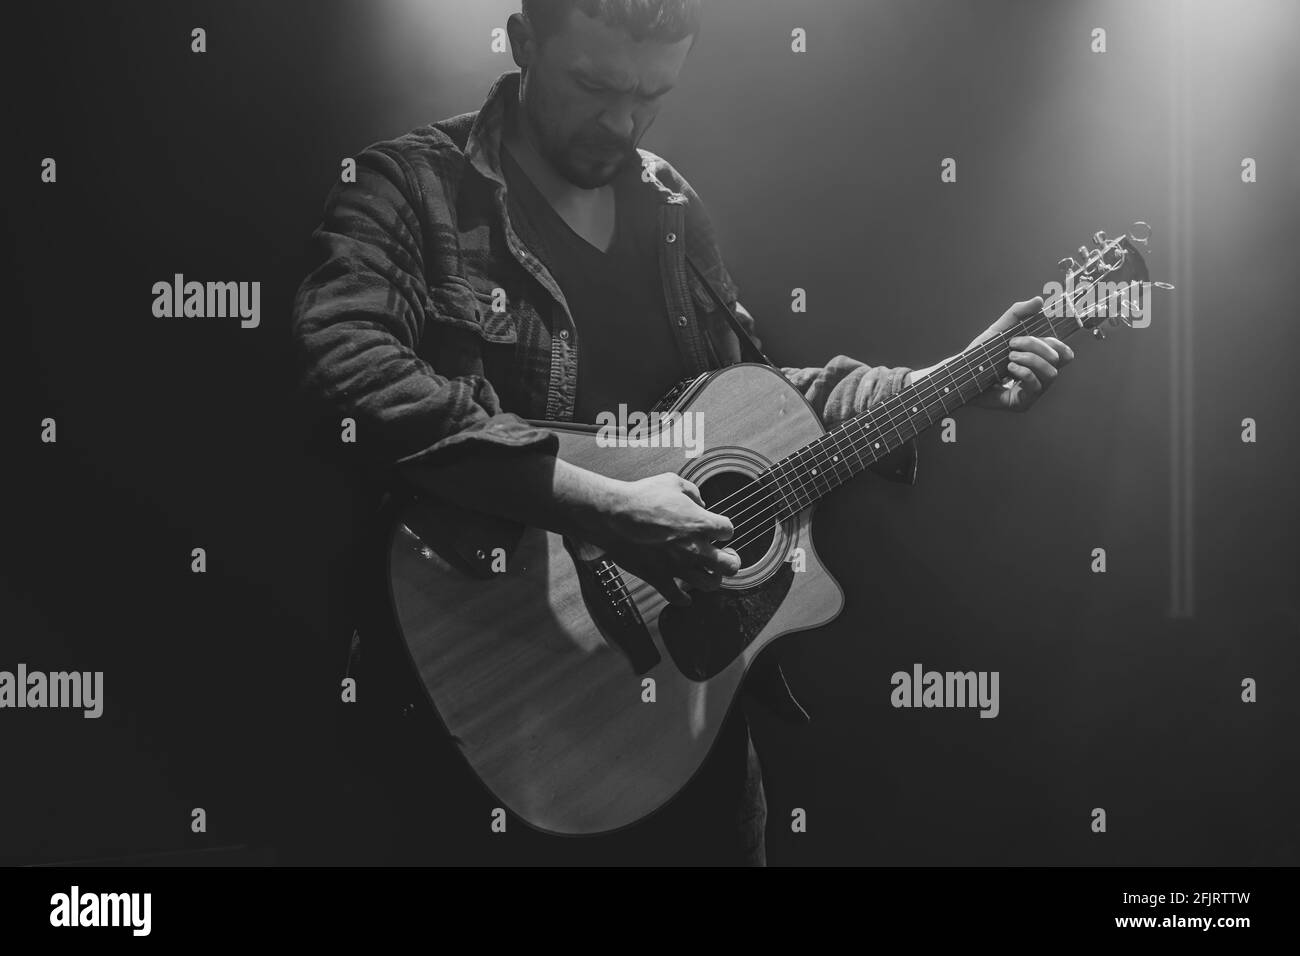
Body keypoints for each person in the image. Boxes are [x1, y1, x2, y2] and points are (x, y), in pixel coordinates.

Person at [290, 0, 1073, 866]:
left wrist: (945, 382)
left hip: (686, 733)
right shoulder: (408, 186)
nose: (622, 122)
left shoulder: (669, 205)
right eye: (594, 85)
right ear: (521, 44)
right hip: (488, 711)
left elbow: (770, 405)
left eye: (652, 94)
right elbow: (347, 373)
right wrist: (605, 506)